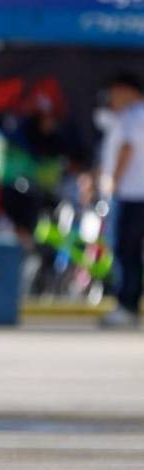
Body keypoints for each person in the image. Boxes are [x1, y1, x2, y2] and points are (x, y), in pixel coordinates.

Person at [100, 73, 144, 328]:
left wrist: (113, 182)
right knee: (130, 252)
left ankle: (126, 305)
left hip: (130, 194)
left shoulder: (133, 115)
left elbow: (127, 148)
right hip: (134, 193)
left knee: (124, 250)